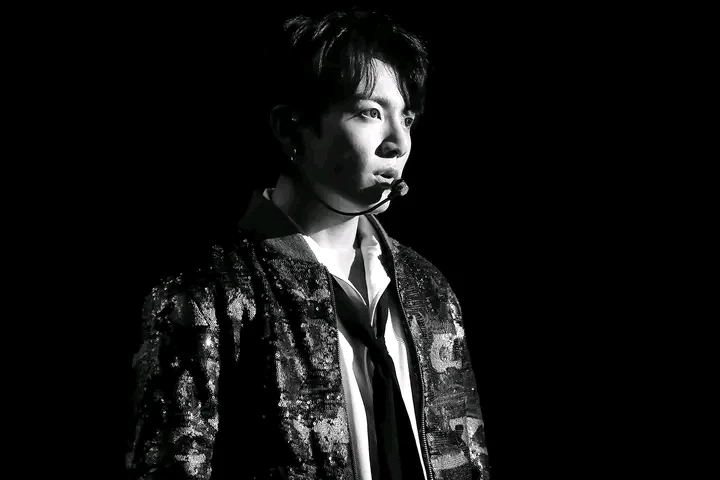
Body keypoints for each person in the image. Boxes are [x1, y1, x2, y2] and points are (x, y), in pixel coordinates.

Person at [127, 8, 489, 480]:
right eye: (370, 112)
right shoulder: (204, 296)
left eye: (407, 117)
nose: (399, 142)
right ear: (290, 128)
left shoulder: (430, 289)